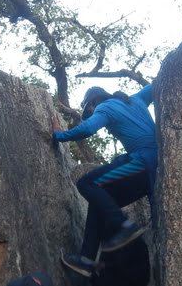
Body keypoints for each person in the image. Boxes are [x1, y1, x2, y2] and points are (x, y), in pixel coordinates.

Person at [52, 84, 157, 278]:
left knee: (86, 183)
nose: (91, 114)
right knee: (99, 201)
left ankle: (124, 226)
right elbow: (158, 82)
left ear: (93, 102)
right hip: (154, 172)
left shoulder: (105, 107)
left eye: (89, 110)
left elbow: (88, 128)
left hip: (143, 162)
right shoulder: (136, 99)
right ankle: (87, 261)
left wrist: (58, 135)